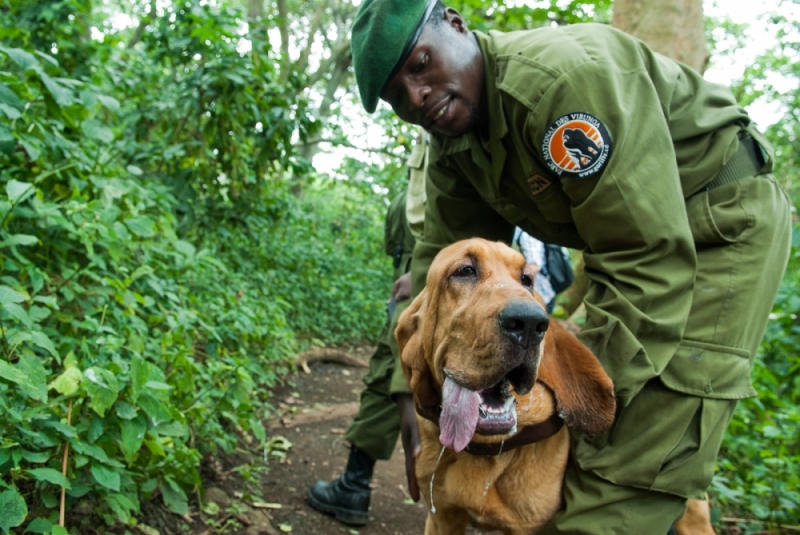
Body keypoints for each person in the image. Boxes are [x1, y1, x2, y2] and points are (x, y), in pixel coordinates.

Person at [349, 1, 792, 534]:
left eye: (420, 65)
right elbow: (436, 268)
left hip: (718, 222)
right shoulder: (453, 144)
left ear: (456, 25)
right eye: (397, 95)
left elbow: (647, 260)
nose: (416, 96)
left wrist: (573, 394)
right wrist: (412, 393)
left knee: (624, 460)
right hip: (631, 243)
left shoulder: (560, 85)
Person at [305, 133, 428, 526]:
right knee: (391, 368)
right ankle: (355, 486)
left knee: (401, 371)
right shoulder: (441, 110)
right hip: (420, 261)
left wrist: (424, 270)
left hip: (432, 262)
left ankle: (386, 480)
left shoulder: (451, 113)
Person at [514, 227, 574, 314]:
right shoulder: (534, 229)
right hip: (544, 293)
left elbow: (534, 267)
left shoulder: (527, 235)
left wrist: (521, 292)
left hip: (541, 294)